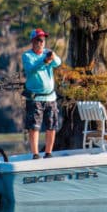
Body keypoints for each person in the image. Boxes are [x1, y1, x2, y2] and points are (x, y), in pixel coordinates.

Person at [23, 28, 62, 159]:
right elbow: (31, 69)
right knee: (34, 127)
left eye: (43, 40)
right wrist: (44, 61)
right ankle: (35, 154)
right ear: (33, 41)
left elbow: (58, 63)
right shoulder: (27, 56)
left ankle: (48, 152)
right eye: (39, 40)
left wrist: (52, 56)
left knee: (51, 125)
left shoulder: (47, 53)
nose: (41, 42)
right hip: (35, 99)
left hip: (51, 97)